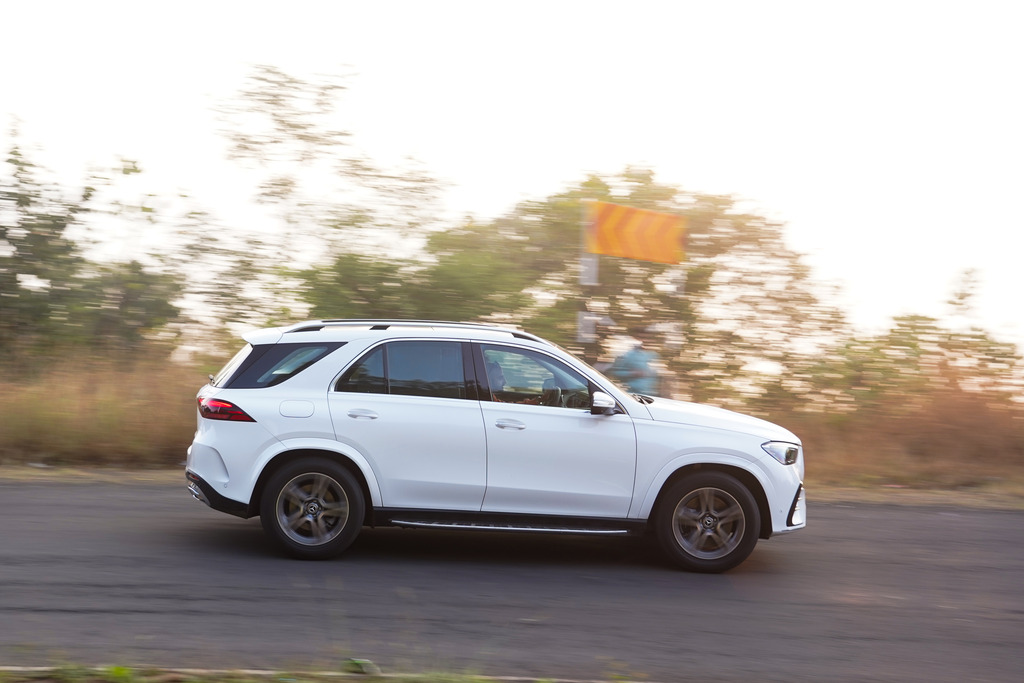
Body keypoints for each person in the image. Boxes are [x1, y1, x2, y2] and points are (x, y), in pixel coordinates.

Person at [608, 327, 660, 395]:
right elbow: (615, 372)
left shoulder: (654, 356)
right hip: (632, 395)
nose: (644, 340)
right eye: (641, 338)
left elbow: (658, 377)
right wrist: (633, 373)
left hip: (651, 396)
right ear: (635, 338)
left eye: (647, 338)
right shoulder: (628, 354)